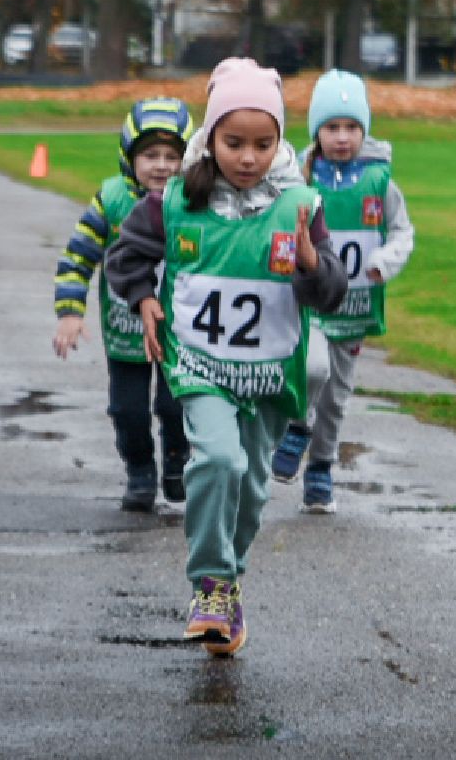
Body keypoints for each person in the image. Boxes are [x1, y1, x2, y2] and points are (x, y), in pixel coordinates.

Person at [105, 58, 346, 657]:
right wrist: (143, 299)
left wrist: (315, 267)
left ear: (281, 142)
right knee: (217, 460)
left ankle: (230, 581)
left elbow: (332, 291)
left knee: (253, 485)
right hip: (200, 365)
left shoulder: (300, 204)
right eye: (233, 142)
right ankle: (209, 583)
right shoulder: (174, 202)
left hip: (269, 372)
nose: (247, 157)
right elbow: (125, 260)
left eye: (263, 144)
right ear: (209, 138)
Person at [270, 70, 415, 514]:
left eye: (352, 127)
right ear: (316, 130)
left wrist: (382, 263)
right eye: (332, 127)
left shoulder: (380, 184)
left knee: (336, 398)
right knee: (312, 371)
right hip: (313, 304)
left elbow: (403, 233)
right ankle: (297, 426)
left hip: (354, 310)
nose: (342, 138)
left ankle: (321, 469)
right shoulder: (302, 179)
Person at [53, 98, 195, 512]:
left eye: (173, 156)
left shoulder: (192, 202)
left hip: (179, 332)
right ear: (128, 156)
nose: (162, 166)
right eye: (150, 155)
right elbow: (77, 256)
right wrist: (70, 312)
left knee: (177, 405)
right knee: (127, 409)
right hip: (126, 331)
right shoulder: (112, 199)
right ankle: (139, 470)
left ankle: (176, 463)